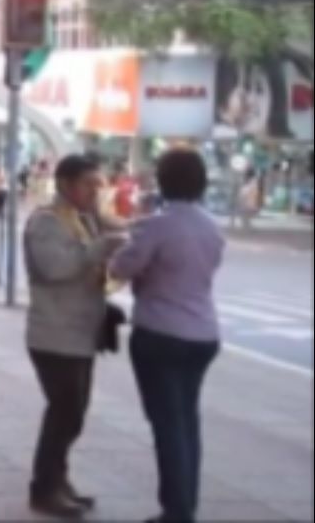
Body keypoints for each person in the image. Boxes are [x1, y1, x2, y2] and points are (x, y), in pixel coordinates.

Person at [108, 149, 224, 523]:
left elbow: (121, 267)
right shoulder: (212, 227)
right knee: (187, 420)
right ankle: (185, 503)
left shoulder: (155, 225)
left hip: (161, 332)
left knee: (167, 423)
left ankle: (176, 511)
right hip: (203, 333)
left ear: (162, 180)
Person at [22, 154, 125, 518]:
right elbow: (55, 267)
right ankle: (44, 488)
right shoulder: (46, 222)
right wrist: (100, 248)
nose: (95, 192)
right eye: (88, 184)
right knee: (63, 412)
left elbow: (97, 264)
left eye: (98, 185)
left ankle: (58, 480)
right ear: (65, 184)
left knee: (74, 413)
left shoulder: (85, 220)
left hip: (81, 332)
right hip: (53, 334)